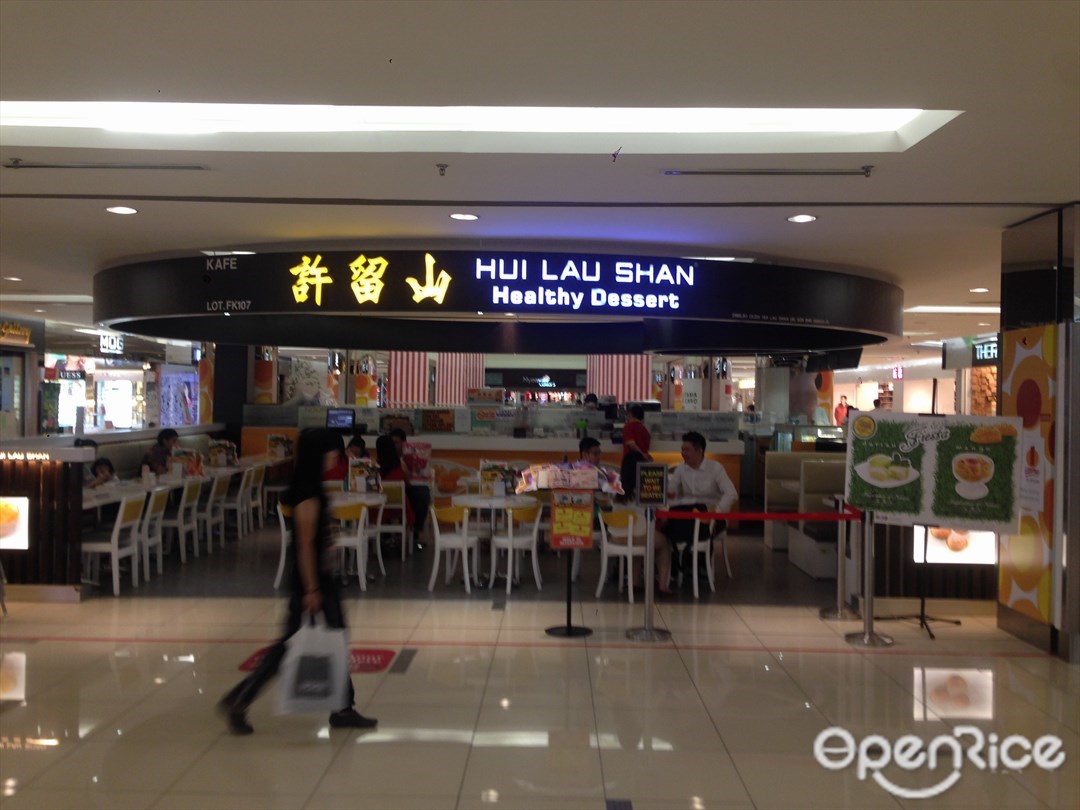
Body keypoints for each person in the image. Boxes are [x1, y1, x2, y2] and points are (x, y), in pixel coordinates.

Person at [218, 427, 376, 735]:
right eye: (332, 451)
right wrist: (313, 589)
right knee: (310, 642)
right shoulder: (308, 492)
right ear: (318, 453)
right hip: (313, 582)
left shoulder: (311, 485)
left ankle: (341, 707)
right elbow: (304, 544)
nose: (336, 456)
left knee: (311, 641)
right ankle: (243, 698)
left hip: (317, 579)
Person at [656, 431, 738, 596]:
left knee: (684, 526)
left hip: (710, 517)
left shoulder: (715, 468)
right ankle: (681, 565)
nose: (683, 453)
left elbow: (731, 494)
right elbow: (671, 493)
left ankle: (690, 564)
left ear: (699, 451)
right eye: (682, 450)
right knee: (666, 525)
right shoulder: (681, 469)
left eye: (687, 450)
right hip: (687, 517)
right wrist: (667, 500)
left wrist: (717, 513)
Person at [389, 428, 429, 550]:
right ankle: (389, 534)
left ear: (404, 442)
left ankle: (416, 530)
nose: (393, 445)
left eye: (396, 442)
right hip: (393, 491)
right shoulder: (387, 454)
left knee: (423, 494)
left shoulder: (413, 455)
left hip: (409, 489)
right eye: (392, 442)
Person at [377, 434, 415, 531]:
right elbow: (408, 484)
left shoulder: (375, 467)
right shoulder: (401, 465)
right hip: (400, 508)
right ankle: (414, 533)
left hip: (379, 508)